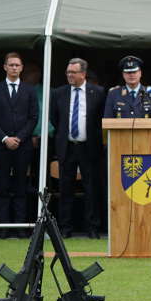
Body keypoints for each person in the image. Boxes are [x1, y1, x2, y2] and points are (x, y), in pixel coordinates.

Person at [49, 58, 105, 238]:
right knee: (66, 189)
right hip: (67, 147)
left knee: (91, 188)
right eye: (68, 72)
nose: (70, 76)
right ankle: (65, 228)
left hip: (89, 147)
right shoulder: (59, 93)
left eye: (73, 72)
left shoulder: (98, 92)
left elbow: (100, 121)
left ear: (83, 74)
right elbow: (55, 119)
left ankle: (92, 228)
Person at [0, 52, 38, 238]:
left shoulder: (29, 90)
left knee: (20, 187)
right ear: (5, 67)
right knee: (2, 186)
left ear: (22, 68)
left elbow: (33, 118)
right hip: (1, 146)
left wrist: (19, 138)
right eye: (11, 65)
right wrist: (5, 138)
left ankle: (20, 227)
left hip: (22, 146)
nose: (14, 68)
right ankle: (3, 228)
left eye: (17, 65)